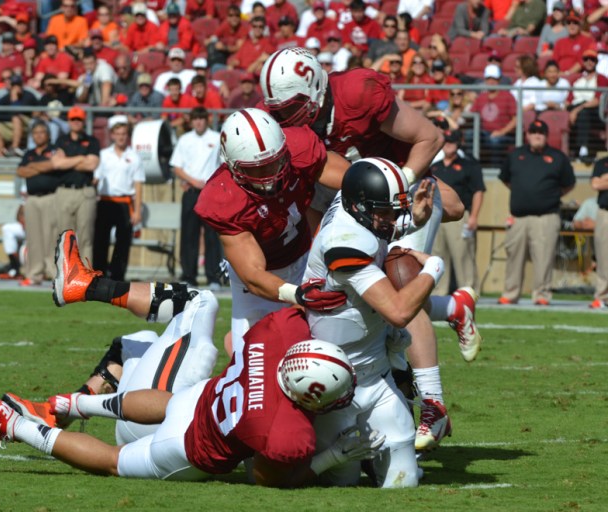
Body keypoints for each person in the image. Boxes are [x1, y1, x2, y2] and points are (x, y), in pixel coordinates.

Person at [0, 234, 377, 486]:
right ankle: (20, 425)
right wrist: (332, 458)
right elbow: (266, 477)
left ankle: (66, 404)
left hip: (194, 401)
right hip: (187, 448)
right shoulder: (288, 433)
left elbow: (234, 339)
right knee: (114, 464)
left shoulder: (280, 335)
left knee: (168, 401)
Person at [258, 48, 475, 451]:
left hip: (390, 188)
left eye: (293, 109)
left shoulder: (358, 92)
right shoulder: (281, 121)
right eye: (279, 111)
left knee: (399, 281)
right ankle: (450, 309)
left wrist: (399, 194)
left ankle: (433, 404)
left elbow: (431, 136)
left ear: (317, 92)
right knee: (357, 297)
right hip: (340, 198)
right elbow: (310, 189)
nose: (286, 119)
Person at [304, 158, 438, 487]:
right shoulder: (343, 240)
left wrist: (412, 222)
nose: (393, 219)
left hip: (375, 378)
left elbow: (376, 224)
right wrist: (434, 268)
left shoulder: (354, 212)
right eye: (386, 212)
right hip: (334, 387)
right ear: (359, 206)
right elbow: (399, 311)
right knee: (343, 483)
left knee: (402, 482)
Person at [195, 108, 351, 355]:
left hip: (305, 257)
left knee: (331, 348)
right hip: (260, 279)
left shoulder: (297, 147)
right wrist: (298, 294)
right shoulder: (224, 197)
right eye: (257, 169)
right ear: (232, 166)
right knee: (250, 361)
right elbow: (254, 276)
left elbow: (353, 181)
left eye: (275, 162)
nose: (270, 176)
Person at [498, 119, 575, 306]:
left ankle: (542, 294)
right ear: (527, 134)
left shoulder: (557, 157)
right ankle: (510, 293)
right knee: (514, 256)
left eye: (541, 132)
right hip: (518, 217)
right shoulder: (516, 155)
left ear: (547, 136)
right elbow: (506, 180)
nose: (537, 135)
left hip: (545, 217)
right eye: (533, 132)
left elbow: (569, 184)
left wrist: (548, 196)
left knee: (544, 257)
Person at [170, 107, 222, 287]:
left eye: (201, 119)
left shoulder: (216, 138)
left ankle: (213, 277)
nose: (198, 122)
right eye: (195, 119)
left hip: (211, 193)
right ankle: (188, 276)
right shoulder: (185, 140)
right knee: (189, 235)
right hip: (191, 191)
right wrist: (192, 181)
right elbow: (176, 167)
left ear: (207, 120)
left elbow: (223, 165)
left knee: (212, 236)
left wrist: (212, 184)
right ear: (191, 121)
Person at [430, 130, 486, 296]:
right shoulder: (435, 165)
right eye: (446, 141)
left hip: (459, 217)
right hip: (437, 215)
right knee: (437, 255)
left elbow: (478, 191)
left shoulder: (469, 164)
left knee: (463, 255)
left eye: (452, 141)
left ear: (458, 143)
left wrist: (474, 216)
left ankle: (468, 291)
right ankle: (439, 292)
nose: (449, 144)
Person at [93, 116, 144, 282]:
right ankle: (99, 273)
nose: (121, 137)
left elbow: (138, 185)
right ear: (112, 135)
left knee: (123, 242)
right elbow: (96, 179)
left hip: (124, 202)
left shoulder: (134, 157)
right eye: (118, 133)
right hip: (105, 200)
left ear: (127, 135)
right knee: (100, 239)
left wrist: (137, 210)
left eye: (124, 133)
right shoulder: (103, 155)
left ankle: (118, 275)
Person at [52, 106, 100, 268]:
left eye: (79, 119)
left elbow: (92, 164)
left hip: (84, 190)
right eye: (73, 119)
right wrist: (81, 158)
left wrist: (69, 161)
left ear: (84, 121)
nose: (76, 122)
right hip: (65, 190)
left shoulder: (92, 141)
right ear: (69, 121)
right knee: (64, 237)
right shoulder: (61, 140)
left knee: (86, 237)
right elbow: (57, 164)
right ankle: (66, 273)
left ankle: (86, 274)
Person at [16, 120, 61, 285]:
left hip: (51, 197)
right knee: (33, 238)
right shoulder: (29, 153)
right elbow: (21, 171)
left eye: (42, 132)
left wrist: (34, 167)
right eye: (36, 133)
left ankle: (53, 272)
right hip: (32, 198)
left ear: (48, 135)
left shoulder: (55, 151)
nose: (39, 135)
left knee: (51, 236)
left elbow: (55, 165)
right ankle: (34, 274)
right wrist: (43, 166)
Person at [470, 64, 517, 166]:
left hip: (503, 134)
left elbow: (515, 119)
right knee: (469, 135)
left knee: (495, 141)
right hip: (484, 133)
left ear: (499, 80)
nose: (491, 82)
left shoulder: (508, 96)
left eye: (494, 79)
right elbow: (472, 114)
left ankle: (495, 171)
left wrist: (501, 132)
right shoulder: (481, 97)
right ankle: (473, 167)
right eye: (488, 79)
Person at [566, 49, 608, 163]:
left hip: (593, 109)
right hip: (576, 106)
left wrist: (577, 110)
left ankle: (583, 150)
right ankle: (567, 151)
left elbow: (598, 99)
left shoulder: (601, 78)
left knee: (583, 114)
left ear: (596, 62)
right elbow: (569, 99)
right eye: (586, 59)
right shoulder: (576, 78)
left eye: (592, 60)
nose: (589, 62)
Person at [589, 156, 608, 310]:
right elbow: (595, 184)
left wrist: (605, 180)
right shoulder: (602, 163)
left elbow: (600, 183)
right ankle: (602, 296)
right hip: (605, 213)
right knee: (603, 256)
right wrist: (601, 182)